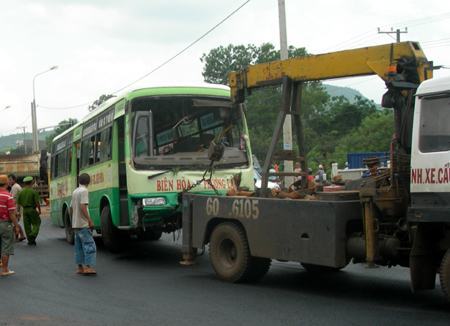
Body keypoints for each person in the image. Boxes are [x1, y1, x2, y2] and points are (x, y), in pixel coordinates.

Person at [70, 173, 97, 275]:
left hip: (76, 224)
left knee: (79, 246)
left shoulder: (75, 191)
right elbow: (83, 206)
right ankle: (88, 267)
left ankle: (80, 267)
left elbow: (71, 207)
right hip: (83, 224)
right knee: (89, 244)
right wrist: (89, 220)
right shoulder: (84, 191)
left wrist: (73, 220)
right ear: (88, 182)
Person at [0, 174, 20, 276]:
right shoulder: (8, 195)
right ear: (7, 183)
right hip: (5, 224)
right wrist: (16, 225)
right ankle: (5, 270)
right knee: (6, 247)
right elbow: (11, 213)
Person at [17, 176, 41, 246]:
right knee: (37, 222)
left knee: (27, 226)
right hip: (32, 210)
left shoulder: (21, 192)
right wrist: (39, 210)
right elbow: (37, 203)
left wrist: (18, 212)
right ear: (32, 182)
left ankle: (30, 241)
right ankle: (33, 234)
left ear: (24, 183)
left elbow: (18, 204)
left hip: (24, 210)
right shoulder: (33, 191)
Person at [8, 174, 26, 242]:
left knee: (14, 223)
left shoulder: (15, 187)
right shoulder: (16, 186)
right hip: (17, 207)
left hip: (16, 208)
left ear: (14, 180)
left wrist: (15, 210)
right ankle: (17, 236)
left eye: (10, 180)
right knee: (15, 223)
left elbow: (14, 199)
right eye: (8, 180)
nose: (9, 181)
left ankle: (22, 235)